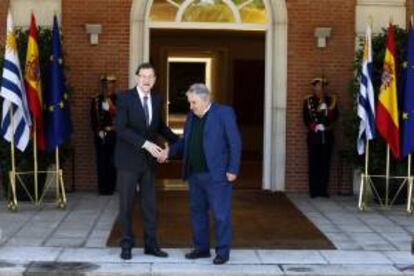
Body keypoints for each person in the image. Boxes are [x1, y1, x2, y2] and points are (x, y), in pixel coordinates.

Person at [162, 83, 241, 265]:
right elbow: (185, 141)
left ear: (206, 100)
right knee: (197, 213)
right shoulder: (191, 116)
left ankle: (222, 252)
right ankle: (201, 249)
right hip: (194, 175)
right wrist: (169, 152)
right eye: (190, 103)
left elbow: (235, 142)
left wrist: (233, 169)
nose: (190, 107)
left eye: (194, 103)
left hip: (217, 175)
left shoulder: (224, 113)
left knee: (220, 215)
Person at [114, 63, 178, 260]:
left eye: (150, 76)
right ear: (136, 78)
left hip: (148, 164)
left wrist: (179, 142)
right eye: (143, 76)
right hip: (128, 162)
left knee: (149, 205)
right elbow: (121, 129)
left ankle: (151, 245)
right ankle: (126, 244)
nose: (146, 80)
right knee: (126, 204)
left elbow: (159, 127)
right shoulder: (124, 98)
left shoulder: (157, 100)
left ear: (155, 79)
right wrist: (145, 144)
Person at [303, 77, 338, 198]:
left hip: (327, 136)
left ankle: (323, 190)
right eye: (317, 86)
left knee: (325, 164)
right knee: (314, 164)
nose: (319, 89)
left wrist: (327, 110)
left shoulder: (330, 100)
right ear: (314, 87)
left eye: (321, 86)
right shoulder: (309, 101)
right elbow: (306, 118)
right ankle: (314, 190)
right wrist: (315, 126)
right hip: (314, 136)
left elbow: (335, 117)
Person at [91, 74, 118, 195]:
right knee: (101, 162)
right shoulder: (96, 100)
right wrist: (98, 131)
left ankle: (110, 188)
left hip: (113, 134)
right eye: (106, 85)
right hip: (100, 135)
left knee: (112, 162)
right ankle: (102, 189)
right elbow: (92, 118)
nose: (108, 87)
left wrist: (110, 109)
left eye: (110, 85)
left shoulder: (118, 99)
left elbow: (121, 118)